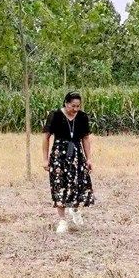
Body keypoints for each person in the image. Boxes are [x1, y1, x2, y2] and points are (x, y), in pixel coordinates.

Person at [42, 91, 94, 234]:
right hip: (59, 155)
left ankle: (75, 209)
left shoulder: (82, 117)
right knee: (59, 186)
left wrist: (89, 158)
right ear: (66, 103)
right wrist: (45, 159)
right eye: (73, 106)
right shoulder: (55, 116)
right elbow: (46, 137)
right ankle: (62, 220)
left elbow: (85, 139)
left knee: (77, 185)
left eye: (78, 106)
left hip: (77, 155)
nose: (75, 109)